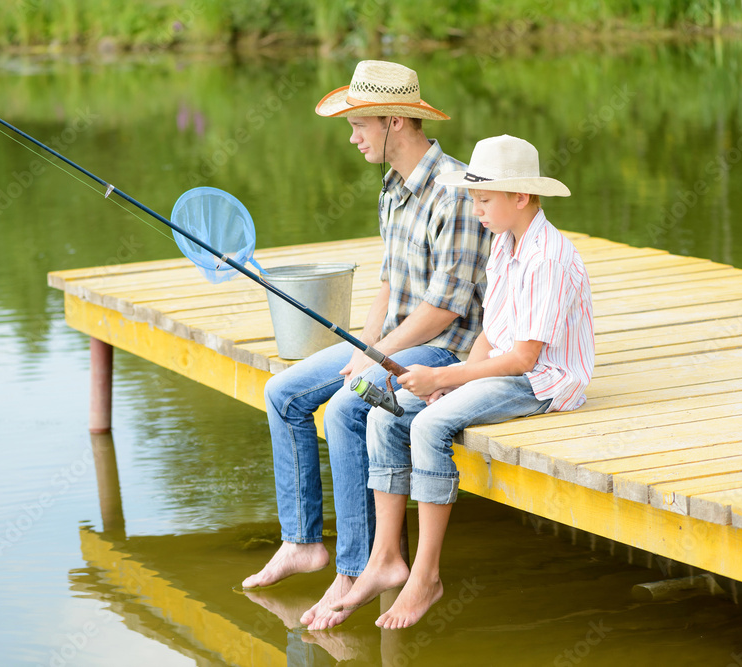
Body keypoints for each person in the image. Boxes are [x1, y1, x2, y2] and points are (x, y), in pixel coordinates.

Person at [241, 60, 490, 632]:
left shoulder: (453, 193)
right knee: (284, 391)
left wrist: (374, 359)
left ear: (396, 121)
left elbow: (445, 308)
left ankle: (359, 567)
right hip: (399, 340)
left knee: (351, 406)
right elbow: (388, 280)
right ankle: (303, 542)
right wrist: (365, 342)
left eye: (360, 126)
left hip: (445, 351)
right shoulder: (392, 185)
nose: (353, 138)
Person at [329, 134, 595, 629]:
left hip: (544, 382)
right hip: (505, 368)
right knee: (383, 416)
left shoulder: (548, 257)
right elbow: (491, 333)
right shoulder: (502, 243)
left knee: (429, 427)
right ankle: (385, 558)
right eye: (473, 198)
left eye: (485, 199)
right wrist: (450, 385)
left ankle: (426, 576)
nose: (476, 209)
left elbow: (522, 359)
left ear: (521, 197)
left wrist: (447, 376)